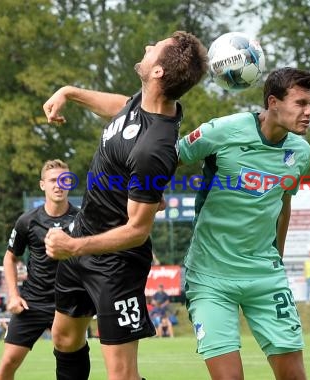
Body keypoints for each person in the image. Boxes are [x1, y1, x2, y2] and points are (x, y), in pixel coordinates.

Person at [42, 31, 208, 380]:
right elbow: (120, 108)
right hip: (83, 236)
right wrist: (69, 92)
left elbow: (137, 230)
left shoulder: (154, 148)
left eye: (155, 48)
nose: (147, 47)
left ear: (159, 72)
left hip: (116, 263)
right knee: (65, 338)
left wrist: (73, 246)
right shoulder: (146, 103)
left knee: (121, 375)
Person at [179, 67, 310, 380]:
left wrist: (276, 260)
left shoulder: (300, 152)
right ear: (273, 102)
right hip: (210, 277)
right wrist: (152, 193)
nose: (308, 112)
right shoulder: (223, 131)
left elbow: (284, 204)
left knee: (295, 377)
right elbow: (167, 156)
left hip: (265, 277)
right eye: (300, 103)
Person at [0, 159, 79, 380]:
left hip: (70, 303)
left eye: (64, 180)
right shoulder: (27, 221)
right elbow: (10, 257)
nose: (58, 185)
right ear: (43, 185)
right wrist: (13, 295)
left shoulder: (82, 220)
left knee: (70, 367)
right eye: (52, 180)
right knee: (7, 364)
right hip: (33, 302)